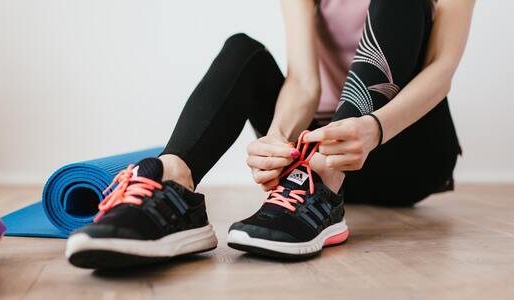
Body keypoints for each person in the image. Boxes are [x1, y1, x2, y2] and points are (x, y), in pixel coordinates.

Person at [65, 0, 475, 268]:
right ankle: (173, 186)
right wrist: (278, 137)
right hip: (315, 152)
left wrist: (375, 127)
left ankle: (322, 182)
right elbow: (303, 81)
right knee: (243, 51)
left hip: (402, 144)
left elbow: (442, 72)